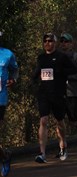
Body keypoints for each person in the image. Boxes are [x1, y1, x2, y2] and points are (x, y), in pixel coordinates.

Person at [32, 33, 77, 164]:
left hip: (58, 94)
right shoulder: (41, 58)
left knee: (60, 121)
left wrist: (61, 71)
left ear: (55, 43)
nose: (47, 43)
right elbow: (37, 72)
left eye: (50, 41)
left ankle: (63, 145)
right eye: (45, 41)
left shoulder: (61, 57)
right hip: (44, 94)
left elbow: (73, 70)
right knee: (43, 120)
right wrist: (34, 79)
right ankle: (42, 153)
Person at [59, 33, 77, 136]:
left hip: (74, 92)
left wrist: (68, 77)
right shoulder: (57, 57)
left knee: (73, 118)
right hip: (60, 92)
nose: (63, 44)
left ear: (71, 43)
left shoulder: (76, 57)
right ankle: (63, 143)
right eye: (62, 41)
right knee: (59, 117)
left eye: (66, 41)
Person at [0, 31, 18, 177]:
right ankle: (5, 155)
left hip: (0, 99)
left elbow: (15, 70)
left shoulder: (7, 54)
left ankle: (5, 156)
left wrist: (13, 79)